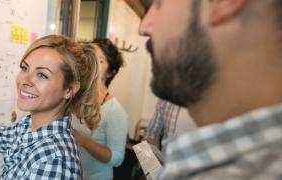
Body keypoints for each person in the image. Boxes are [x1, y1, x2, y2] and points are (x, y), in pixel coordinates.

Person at [139, 0, 282, 179]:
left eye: (159, 3)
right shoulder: (172, 92)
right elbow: (148, 141)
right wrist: (153, 175)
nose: (143, 27)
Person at [0, 35, 101, 179]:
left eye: (42, 75)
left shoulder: (53, 161)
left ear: (70, 89)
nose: (24, 80)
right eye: (25, 68)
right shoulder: (28, 127)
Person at [71, 39, 128, 180]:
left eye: (100, 61)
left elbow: (117, 159)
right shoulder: (71, 96)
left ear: (110, 73)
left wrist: (83, 140)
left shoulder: (115, 111)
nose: (92, 63)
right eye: (90, 57)